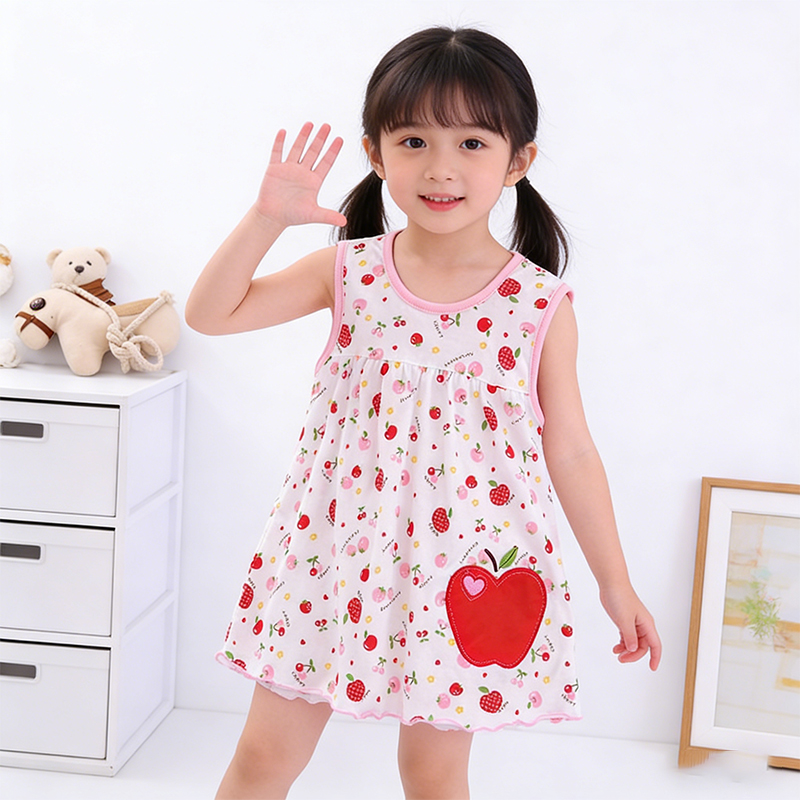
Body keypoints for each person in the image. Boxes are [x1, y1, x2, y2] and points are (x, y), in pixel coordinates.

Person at [186, 25, 661, 800]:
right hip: (330, 558)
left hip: (464, 578)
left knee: (433, 775)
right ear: (376, 154)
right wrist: (267, 218)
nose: (441, 167)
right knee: (264, 760)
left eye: (472, 143)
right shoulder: (348, 272)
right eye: (413, 141)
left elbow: (572, 450)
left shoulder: (537, 305)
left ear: (518, 160)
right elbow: (211, 314)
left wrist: (617, 583)